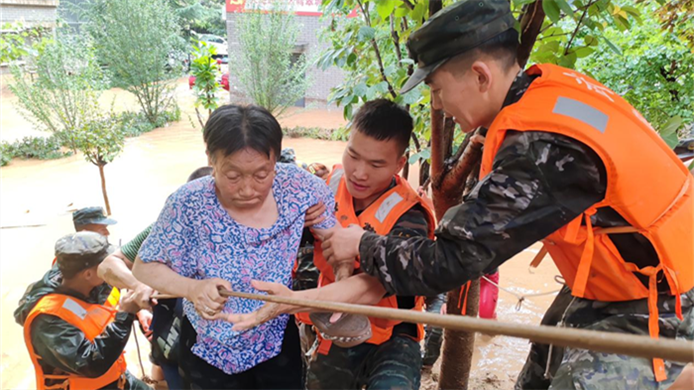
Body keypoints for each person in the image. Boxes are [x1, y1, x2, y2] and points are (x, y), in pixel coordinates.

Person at [230, 1, 694, 389]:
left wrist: (362, 245)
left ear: (479, 75)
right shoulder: (549, 92)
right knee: (538, 372)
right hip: (611, 281)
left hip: (659, 296)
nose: (437, 103)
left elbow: (450, 261)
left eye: (435, 87)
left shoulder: (538, 145)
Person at [132, 104, 339, 390]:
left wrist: (341, 273)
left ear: (275, 160)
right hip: (208, 347)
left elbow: (335, 240)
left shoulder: (299, 187)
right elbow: (144, 266)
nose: (247, 189)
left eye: (261, 174)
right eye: (233, 176)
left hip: (275, 339)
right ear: (211, 159)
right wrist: (191, 288)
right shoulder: (188, 203)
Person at [294, 99, 436, 390]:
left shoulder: (410, 217)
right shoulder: (323, 187)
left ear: (400, 163)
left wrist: (290, 302)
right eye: (353, 155)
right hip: (335, 323)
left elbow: (377, 286)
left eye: (376, 164)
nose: (359, 172)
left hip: (393, 331)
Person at [98, 166, 213, 390]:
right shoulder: (168, 227)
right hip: (175, 338)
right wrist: (137, 284)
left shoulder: (257, 223)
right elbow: (109, 265)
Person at [15, 231, 149, 390]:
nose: (111, 268)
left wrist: (138, 310)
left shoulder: (91, 284)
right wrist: (125, 316)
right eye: (106, 264)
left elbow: (108, 305)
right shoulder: (49, 321)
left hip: (116, 378)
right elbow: (91, 364)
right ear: (88, 274)